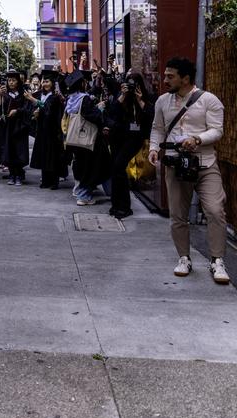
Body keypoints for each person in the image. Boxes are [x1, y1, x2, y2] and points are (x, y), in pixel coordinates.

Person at [148, 57, 230, 284]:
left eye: (170, 76)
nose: (165, 79)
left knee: (215, 210)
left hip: (205, 163)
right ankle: (184, 257)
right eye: (165, 75)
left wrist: (197, 138)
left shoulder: (209, 100)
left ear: (185, 78)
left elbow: (217, 131)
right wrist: (154, 149)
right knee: (177, 215)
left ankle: (217, 260)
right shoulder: (162, 101)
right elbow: (157, 129)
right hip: (175, 164)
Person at [105, 73, 154, 218]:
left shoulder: (146, 98)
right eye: (130, 85)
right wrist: (122, 96)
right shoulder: (121, 97)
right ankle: (116, 205)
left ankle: (125, 207)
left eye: (135, 85)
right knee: (116, 169)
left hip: (135, 139)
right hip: (118, 137)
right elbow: (112, 113)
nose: (132, 88)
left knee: (119, 166)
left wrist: (140, 100)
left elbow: (151, 116)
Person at [64, 71, 111, 205]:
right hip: (88, 139)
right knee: (91, 167)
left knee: (82, 165)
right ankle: (84, 196)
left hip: (76, 139)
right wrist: (100, 110)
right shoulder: (84, 98)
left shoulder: (71, 99)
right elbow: (90, 115)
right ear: (82, 83)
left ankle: (81, 192)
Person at [26, 70, 64, 189]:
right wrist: (34, 113)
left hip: (53, 130)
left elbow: (48, 108)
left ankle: (54, 181)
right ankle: (45, 180)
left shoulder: (55, 96)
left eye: (47, 81)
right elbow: (32, 110)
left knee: (53, 156)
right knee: (43, 154)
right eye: (43, 81)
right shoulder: (39, 94)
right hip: (41, 129)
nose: (44, 84)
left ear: (52, 83)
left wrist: (33, 100)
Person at [0, 70, 30, 186]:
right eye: (9, 80)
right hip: (8, 126)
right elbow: (0, 109)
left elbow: (27, 109)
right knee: (10, 150)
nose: (11, 82)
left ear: (18, 81)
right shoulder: (5, 94)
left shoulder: (23, 94)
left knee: (19, 151)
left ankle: (19, 175)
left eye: (13, 80)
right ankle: (12, 174)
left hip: (20, 126)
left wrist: (17, 111)